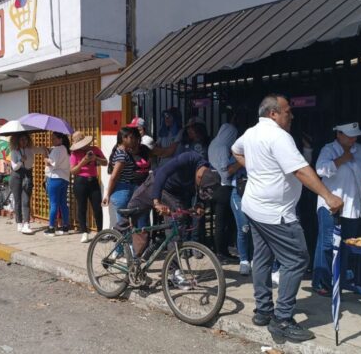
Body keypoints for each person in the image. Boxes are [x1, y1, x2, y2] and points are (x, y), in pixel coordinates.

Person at [232, 94, 343, 343]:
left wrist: (257, 170)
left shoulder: (251, 132)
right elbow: (301, 170)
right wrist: (328, 196)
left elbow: (235, 150)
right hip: (275, 212)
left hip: (254, 206)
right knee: (296, 259)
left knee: (261, 257)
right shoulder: (279, 136)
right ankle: (282, 319)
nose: (291, 116)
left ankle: (263, 311)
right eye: (287, 111)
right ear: (273, 113)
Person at [312, 122, 361, 296]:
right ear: (339, 135)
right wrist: (341, 160)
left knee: (347, 243)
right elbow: (320, 170)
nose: (353, 139)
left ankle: (339, 280)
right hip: (329, 203)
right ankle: (322, 282)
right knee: (327, 243)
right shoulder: (329, 150)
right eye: (349, 135)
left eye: (355, 136)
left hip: (353, 205)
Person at [115, 151, 220, 258]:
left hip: (174, 195)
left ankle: (173, 270)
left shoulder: (211, 172)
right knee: (132, 211)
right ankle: (114, 234)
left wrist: (199, 205)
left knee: (175, 230)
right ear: (199, 176)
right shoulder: (189, 158)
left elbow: (201, 193)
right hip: (156, 183)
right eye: (200, 187)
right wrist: (156, 201)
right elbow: (163, 172)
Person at [102, 127, 151, 226]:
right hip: (122, 190)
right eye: (131, 138)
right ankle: (125, 241)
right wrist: (107, 194)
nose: (133, 140)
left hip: (124, 190)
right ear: (124, 138)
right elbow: (114, 176)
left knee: (126, 223)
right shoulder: (122, 155)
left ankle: (128, 241)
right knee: (124, 225)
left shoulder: (121, 151)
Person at [208, 123, 242, 262]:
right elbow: (226, 171)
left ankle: (222, 251)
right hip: (223, 187)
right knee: (222, 223)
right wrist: (240, 162)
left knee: (220, 221)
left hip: (215, 187)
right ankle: (221, 252)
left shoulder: (213, 144)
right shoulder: (222, 147)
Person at [70, 131, 108, 243]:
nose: (83, 147)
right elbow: (73, 171)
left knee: (97, 207)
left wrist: (96, 158)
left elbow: (105, 162)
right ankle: (84, 232)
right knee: (82, 208)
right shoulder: (74, 154)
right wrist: (83, 161)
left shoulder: (95, 149)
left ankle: (100, 232)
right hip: (80, 181)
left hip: (93, 181)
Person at [9, 134, 48, 234]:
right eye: (21, 139)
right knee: (18, 200)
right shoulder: (14, 151)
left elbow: (40, 150)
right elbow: (14, 167)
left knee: (26, 200)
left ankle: (26, 224)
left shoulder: (30, 149)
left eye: (25, 139)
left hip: (27, 175)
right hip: (16, 176)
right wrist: (20, 161)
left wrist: (46, 149)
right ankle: (19, 222)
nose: (24, 141)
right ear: (17, 141)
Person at [43, 132, 71, 237]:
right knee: (63, 203)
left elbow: (51, 163)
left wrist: (45, 157)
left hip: (54, 178)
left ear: (60, 139)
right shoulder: (66, 150)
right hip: (64, 178)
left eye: (54, 138)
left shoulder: (57, 150)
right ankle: (65, 227)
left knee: (54, 204)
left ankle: (51, 228)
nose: (52, 140)